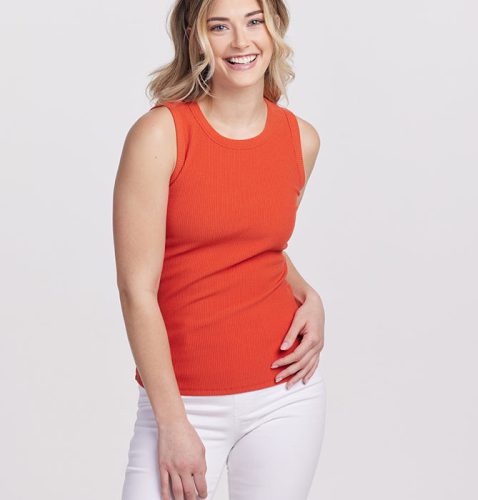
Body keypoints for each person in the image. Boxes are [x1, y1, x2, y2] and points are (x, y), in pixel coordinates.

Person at [113, 0, 326, 498]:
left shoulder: (302, 140)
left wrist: (309, 294)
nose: (241, 42)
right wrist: (172, 423)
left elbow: (255, 245)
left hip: (284, 397)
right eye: (220, 26)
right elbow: (135, 288)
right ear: (195, 35)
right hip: (181, 400)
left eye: (254, 21)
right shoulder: (160, 134)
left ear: (274, 29)